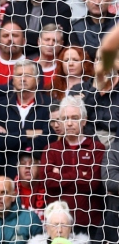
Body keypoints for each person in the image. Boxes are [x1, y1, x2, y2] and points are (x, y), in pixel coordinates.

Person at [41, 97, 105, 227]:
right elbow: (48, 182)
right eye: (65, 118)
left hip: (89, 223)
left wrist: (60, 176)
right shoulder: (51, 149)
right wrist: (80, 174)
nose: (69, 123)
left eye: (74, 118)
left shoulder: (97, 148)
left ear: (84, 121)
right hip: (57, 224)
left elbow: (92, 184)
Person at [16, 200, 91, 244]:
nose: (59, 230)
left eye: (64, 225)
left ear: (70, 228)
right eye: (55, 225)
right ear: (47, 228)